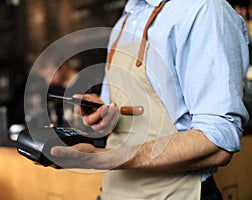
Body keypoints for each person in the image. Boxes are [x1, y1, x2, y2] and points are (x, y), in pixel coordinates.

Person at [48, 0, 249, 199]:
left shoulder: (203, 9)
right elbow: (119, 116)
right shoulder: (126, 19)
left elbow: (218, 142)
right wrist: (103, 117)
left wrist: (98, 158)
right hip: (113, 193)